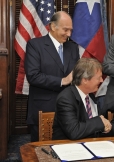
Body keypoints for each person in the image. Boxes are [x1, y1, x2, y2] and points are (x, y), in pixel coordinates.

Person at [24, 11, 80, 142]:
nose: (69, 34)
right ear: (53, 27)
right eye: (66, 30)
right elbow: (33, 76)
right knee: (41, 152)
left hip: (69, 109)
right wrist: (62, 81)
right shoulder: (35, 45)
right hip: (43, 108)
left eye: (71, 30)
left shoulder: (73, 47)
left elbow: (76, 74)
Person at [52, 58, 112, 140]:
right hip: (68, 147)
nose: (101, 80)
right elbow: (74, 132)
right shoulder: (66, 99)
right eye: (99, 78)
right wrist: (99, 121)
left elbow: (94, 126)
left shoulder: (90, 95)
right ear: (85, 80)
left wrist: (105, 126)